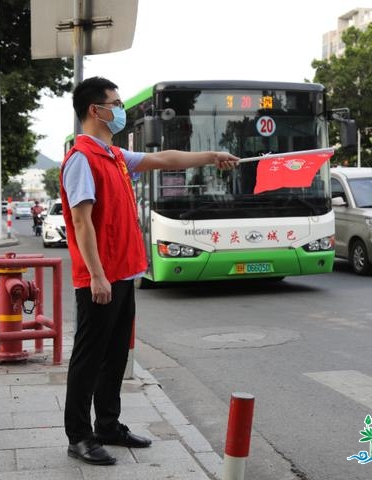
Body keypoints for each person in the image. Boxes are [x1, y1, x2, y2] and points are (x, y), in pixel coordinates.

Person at [60, 76, 239, 466]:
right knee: (89, 357)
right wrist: (96, 274)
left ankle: (108, 424)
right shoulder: (82, 160)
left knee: (116, 354)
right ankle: (79, 436)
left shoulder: (115, 156)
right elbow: (81, 222)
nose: (120, 109)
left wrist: (210, 156)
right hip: (100, 278)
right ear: (96, 110)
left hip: (124, 274)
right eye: (116, 103)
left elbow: (165, 158)